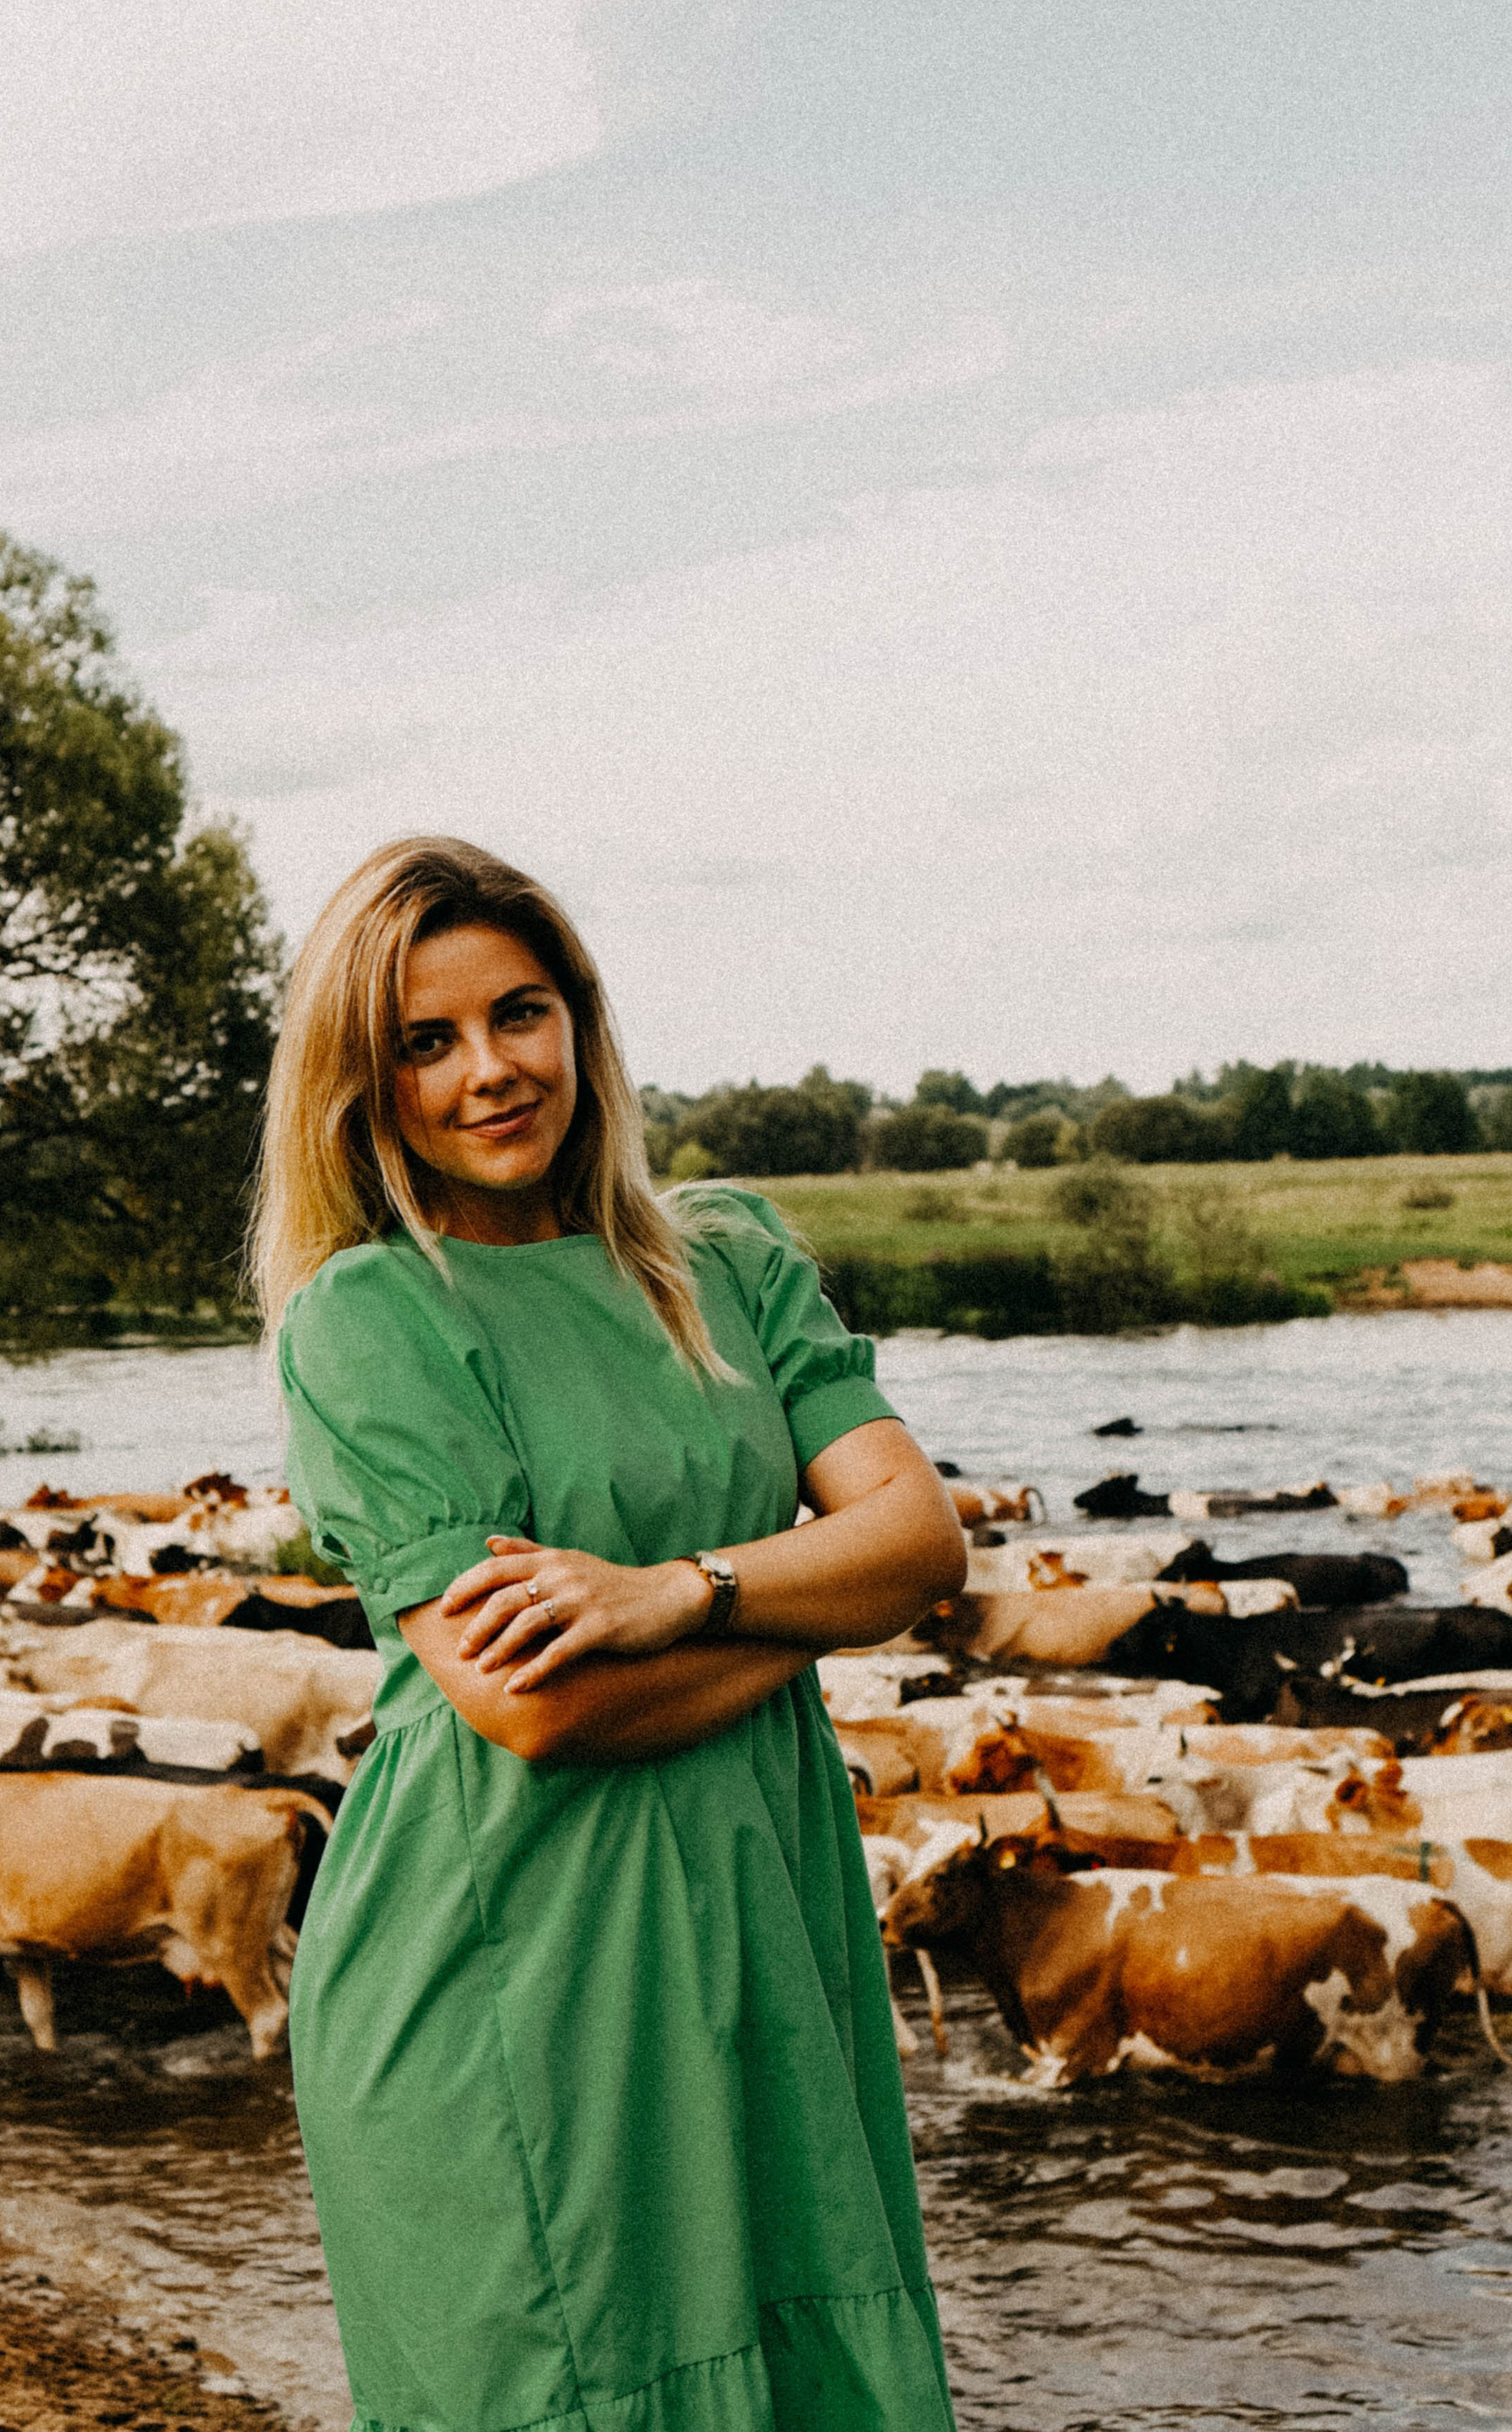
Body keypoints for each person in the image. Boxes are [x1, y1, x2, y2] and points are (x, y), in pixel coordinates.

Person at [252, 834, 965, 2432]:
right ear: (361, 1085)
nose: (489, 1072)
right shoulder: (366, 1320)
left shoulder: (722, 1256)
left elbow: (922, 1541)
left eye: (519, 1014)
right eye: (423, 1044)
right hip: (502, 1955)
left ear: (579, 1015)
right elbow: (539, 1715)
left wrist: (676, 1592)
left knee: (805, 2376)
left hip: (761, 1916)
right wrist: (817, 1592)